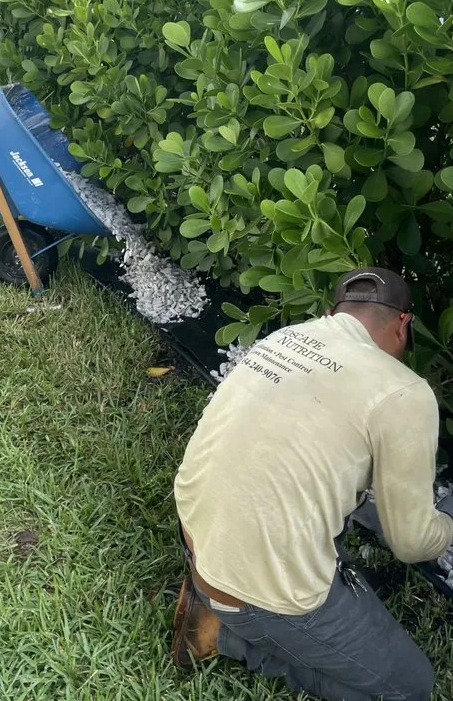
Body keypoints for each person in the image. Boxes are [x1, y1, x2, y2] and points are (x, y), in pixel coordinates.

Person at [173, 267, 453, 701]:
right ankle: (224, 637)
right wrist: (447, 516)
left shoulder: (286, 338)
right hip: (254, 588)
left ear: (332, 313)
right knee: (411, 686)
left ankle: (211, 595)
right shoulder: (404, 392)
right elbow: (414, 545)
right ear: (404, 324)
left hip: (197, 532)